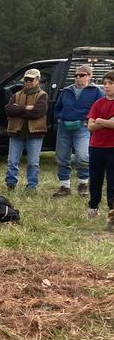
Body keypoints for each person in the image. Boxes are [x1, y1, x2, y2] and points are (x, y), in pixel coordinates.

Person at [53, 64, 103, 197]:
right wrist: (58, 118)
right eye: (76, 75)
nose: (78, 78)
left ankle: (83, 183)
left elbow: (101, 109)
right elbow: (57, 107)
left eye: (82, 75)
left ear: (89, 76)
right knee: (62, 157)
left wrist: (90, 121)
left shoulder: (96, 91)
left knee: (82, 156)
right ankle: (64, 186)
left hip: (82, 127)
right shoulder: (66, 90)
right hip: (64, 126)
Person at [4, 68, 49, 191]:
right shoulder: (16, 95)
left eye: (31, 79)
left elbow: (37, 113)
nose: (28, 82)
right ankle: (10, 184)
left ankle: (31, 186)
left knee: (33, 162)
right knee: (12, 161)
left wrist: (18, 109)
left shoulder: (43, 95)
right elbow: (8, 110)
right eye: (26, 79)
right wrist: (26, 108)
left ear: (38, 80)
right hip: (16, 132)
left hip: (35, 133)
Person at [86, 70, 114, 230]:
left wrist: (100, 121)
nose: (107, 86)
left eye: (110, 83)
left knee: (112, 182)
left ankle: (112, 212)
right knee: (95, 179)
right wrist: (107, 122)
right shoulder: (98, 103)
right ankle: (93, 206)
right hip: (96, 146)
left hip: (112, 147)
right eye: (105, 84)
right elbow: (90, 126)